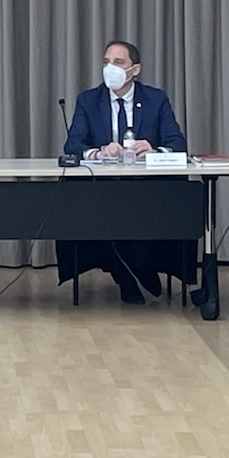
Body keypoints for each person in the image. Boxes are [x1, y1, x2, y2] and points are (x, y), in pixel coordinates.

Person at [56, 40, 189, 304]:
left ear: (134, 70)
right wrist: (98, 152)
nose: (110, 68)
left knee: (166, 206)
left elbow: (177, 143)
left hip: (147, 188)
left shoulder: (155, 99)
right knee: (95, 212)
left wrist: (153, 149)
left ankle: (138, 267)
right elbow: (73, 145)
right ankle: (126, 276)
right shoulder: (89, 100)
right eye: (106, 62)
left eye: (118, 63)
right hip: (101, 188)